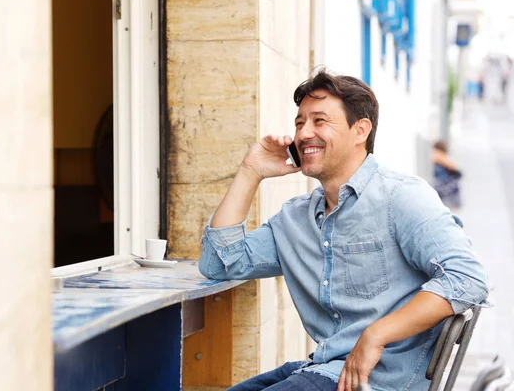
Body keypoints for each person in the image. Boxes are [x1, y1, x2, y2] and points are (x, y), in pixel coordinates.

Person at [198, 68, 490, 391]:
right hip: (324, 368)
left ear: (360, 130)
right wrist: (250, 171)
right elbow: (218, 262)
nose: (304, 133)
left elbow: (468, 277)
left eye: (319, 121)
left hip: (377, 383)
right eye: (299, 123)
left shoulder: (400, 197)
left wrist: (376, 334)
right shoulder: (296, 219)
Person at [432, 141, 462, 211]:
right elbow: (454, 168)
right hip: (442, 185)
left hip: (441, 186)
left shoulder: (436, 156)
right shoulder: (437, 155)